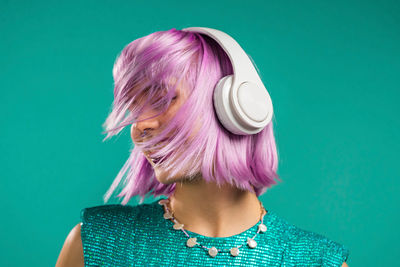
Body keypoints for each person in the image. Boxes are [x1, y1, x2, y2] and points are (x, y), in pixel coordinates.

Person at [56, 27, 350, 266]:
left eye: (161, 99)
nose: (139, 127)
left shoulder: (317, 261)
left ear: (234, 107)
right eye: (135, 109)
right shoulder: (95, 245)